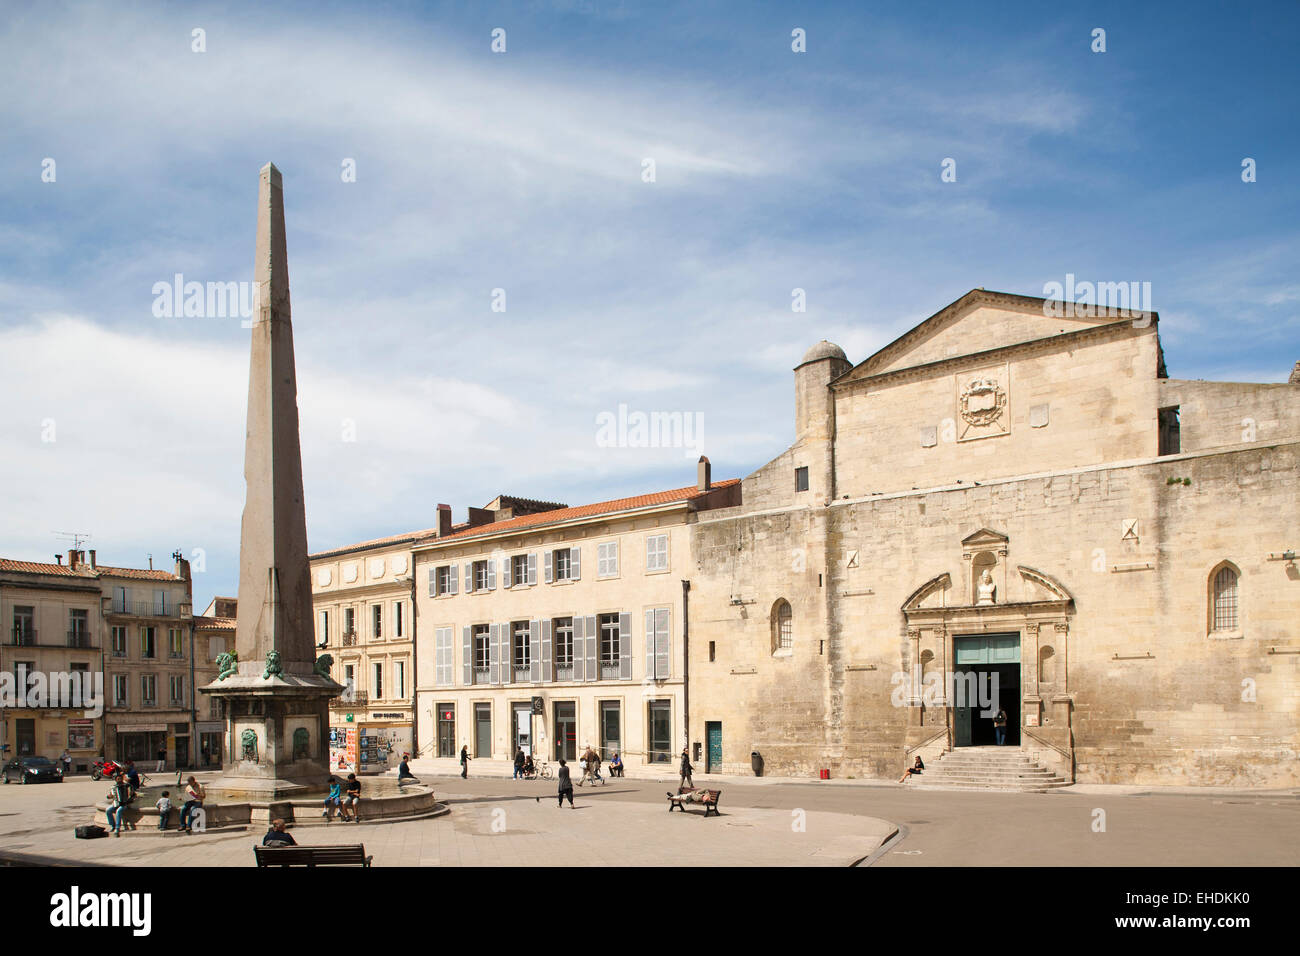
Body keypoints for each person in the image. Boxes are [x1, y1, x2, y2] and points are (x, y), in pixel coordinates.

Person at [107, 772, 131, 837]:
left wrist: (129, 798)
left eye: (120, 779)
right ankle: (112, 825)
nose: (119, 780)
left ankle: (117, 828)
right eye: (118, 779)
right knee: (108, 810)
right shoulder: (113, 787)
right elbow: (111, 795)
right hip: (116, 803)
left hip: (124, 804)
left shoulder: (126, 786)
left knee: (118, 811)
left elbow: (131, 793)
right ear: (116, 780)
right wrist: (109, 796)